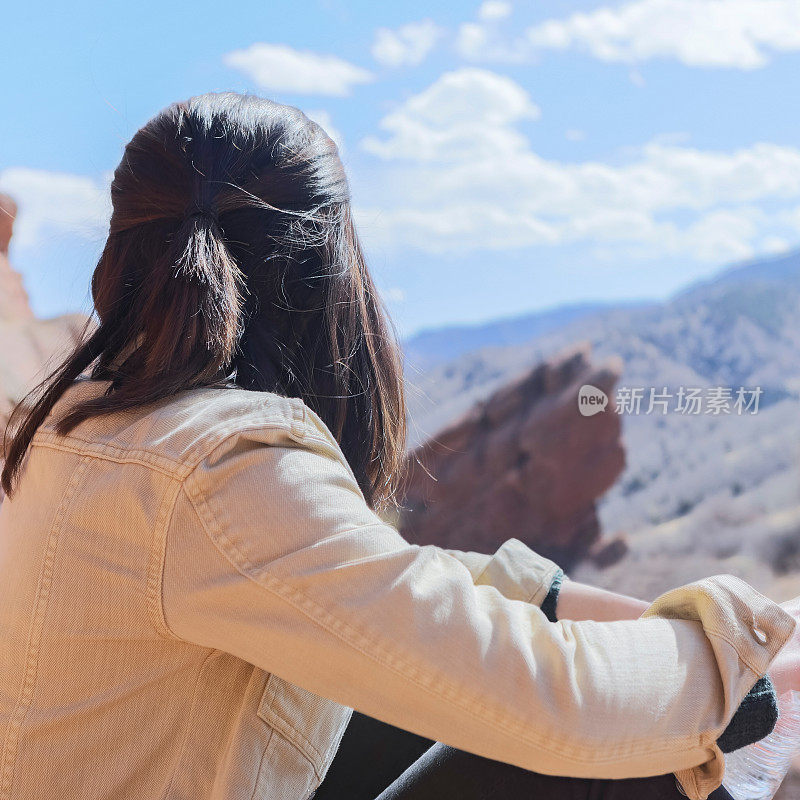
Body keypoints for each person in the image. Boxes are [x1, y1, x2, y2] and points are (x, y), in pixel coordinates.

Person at [0, 92, 797, 800]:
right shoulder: (217, 466)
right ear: (326, 271)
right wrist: (746, 664)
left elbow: (399, 590)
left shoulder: (74, 431)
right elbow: (556, 700)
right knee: (625, 755)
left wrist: (632, 617)